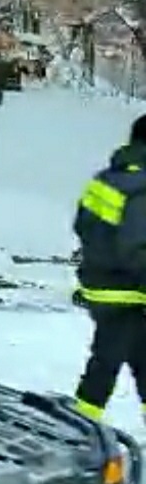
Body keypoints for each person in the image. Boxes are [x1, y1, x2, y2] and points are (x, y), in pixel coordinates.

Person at [73, 115, 146, 424]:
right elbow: (136, 249)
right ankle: (80, 432)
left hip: (100, 287)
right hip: (129, 293)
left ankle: (80, 427)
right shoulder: (141, 186)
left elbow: (82, 226)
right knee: (105, 366)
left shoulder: (104, 179)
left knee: (131, 361)